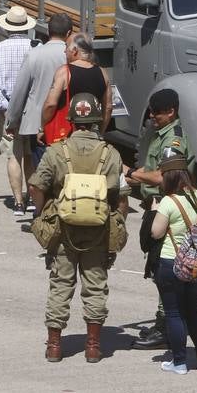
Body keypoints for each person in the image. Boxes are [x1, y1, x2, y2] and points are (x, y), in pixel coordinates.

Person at [29, 93, 127, 363]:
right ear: (97, 120)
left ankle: (54, 346)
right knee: (96, 286)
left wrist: (40, 213)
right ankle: (93, 347)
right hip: (98, 228)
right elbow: (121, 198)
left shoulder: (56, 151)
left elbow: (37, 185)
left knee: (61, 283)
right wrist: (118, 224)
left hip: (63, 228)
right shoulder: (112, 154)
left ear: (71, 120)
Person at [126, 88, 193, 350]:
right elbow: (150, 169)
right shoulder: (160, 134)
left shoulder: (172, 140)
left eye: (157, 113)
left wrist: (132, 172)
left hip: (168, 207)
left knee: (164, 268)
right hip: (157, 205)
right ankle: (169, 320)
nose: (152, 116)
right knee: (159, 268)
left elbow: (165, 178)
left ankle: (166, 325)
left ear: (171, 112)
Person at [149, 158, 197, 374]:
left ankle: (179, 362)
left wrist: (154, 211)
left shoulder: (169, 202)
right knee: (193, 310)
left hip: (172, 261)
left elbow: (156, 233)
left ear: (169, 178)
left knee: (174, 312)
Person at [6, 12, 74, 205]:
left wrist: (12, 120)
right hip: (67, 124)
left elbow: (20, 91)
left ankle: (40, 208)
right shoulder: (72, 55)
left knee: (39, 168)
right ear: (69, 32)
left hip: (37, 124)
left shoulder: (34, 55)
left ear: (47, 31)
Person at [0, 6, 37, 216]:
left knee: (13, 156)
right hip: (32, 110)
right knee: (31, 156)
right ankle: (34, 198)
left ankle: (18, 202)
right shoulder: (36, 46)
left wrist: (4, 110)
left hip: (9, 110)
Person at [41, 32, 113, 139]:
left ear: (74, 51)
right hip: (91, 136)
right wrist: (100, 133)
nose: (64, 51)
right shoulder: (103, 73)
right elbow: (108, 107)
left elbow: (50, 104)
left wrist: (42, 128)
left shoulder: (64, 72)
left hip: (67, 137)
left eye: (66, 46)